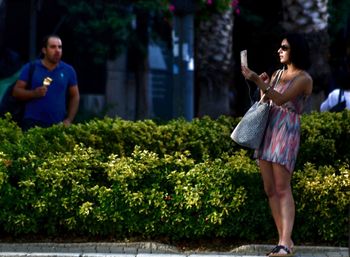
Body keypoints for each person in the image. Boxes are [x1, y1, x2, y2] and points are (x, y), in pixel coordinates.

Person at [241, 33, 313, 256]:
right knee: (270, 188)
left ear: (296, 50)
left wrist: (256, 79)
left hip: (286, 131)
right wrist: (262, 86)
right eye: (280, 47)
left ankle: (284, 244)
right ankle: (285, 240)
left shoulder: (303, 78)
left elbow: (282, 100)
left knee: (282, 187)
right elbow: (266, 101)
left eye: (284, 47)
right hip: (268, 129)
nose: (279, 50)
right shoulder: (277, 73)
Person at [13, 34, 80, 130]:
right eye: (53, 47)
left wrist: (69, 119)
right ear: (44, 50)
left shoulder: (68, 70)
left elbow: (75, 95)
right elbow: (16, 92)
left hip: (58, 125)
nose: (57, 50)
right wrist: (33, 94)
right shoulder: (31, 67)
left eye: (59, 47)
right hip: (32, 124)